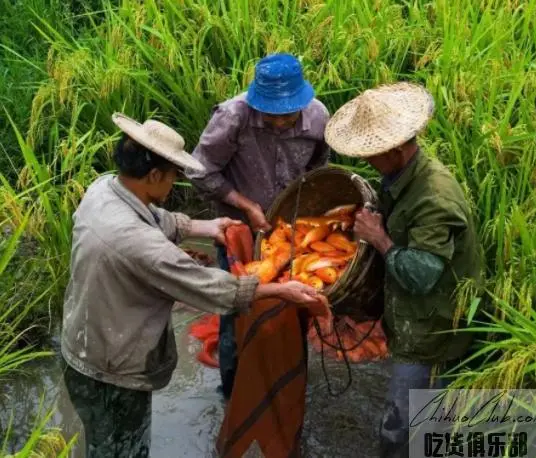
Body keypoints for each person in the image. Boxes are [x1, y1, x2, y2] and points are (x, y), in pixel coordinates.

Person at [60, 113, 323, 458]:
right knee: (122, 450)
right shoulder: (142, 246)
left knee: (101, 442)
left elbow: (153, 218)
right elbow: (210, 288)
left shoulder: (105, 189)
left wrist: (206, 227)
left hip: (81, 342)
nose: (173, 187)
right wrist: (280, 291)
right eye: (171, 178)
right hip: (111, 368)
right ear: (153, 175)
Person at [324, 82, 482, 458]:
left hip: (434, 326)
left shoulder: (434, 197)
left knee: (402, 423)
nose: (366, 162)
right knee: (425, 413)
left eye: (371, 154)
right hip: (414, 316)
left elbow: (422, 275)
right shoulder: (401, 177)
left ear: (395, 151)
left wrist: (379, 239)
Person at [186, 53, 330, 399]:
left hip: (290, 231)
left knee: (294, 305)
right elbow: (198, 170)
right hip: (237, 230)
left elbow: (318, 171)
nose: (280, 123)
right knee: (236, 309)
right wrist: (246, 205)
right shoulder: (233, 117)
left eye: (288, 115)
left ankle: (287, 383)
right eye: (272, 114)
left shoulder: (318, 117)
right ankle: (234, 391)